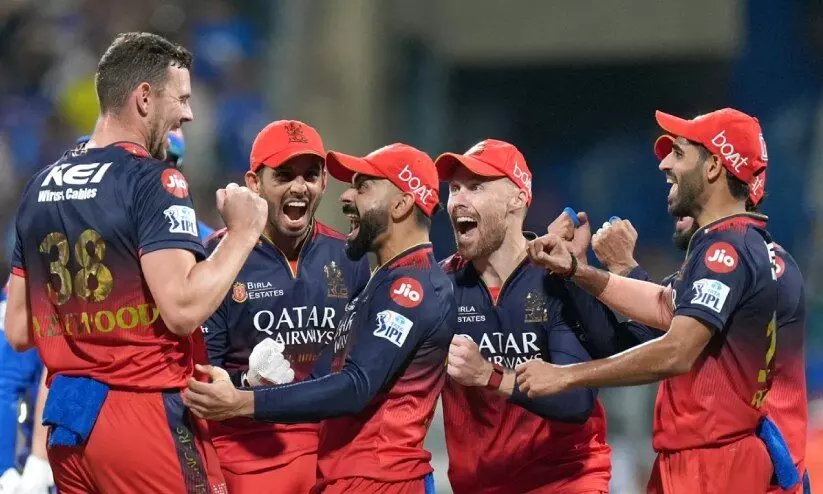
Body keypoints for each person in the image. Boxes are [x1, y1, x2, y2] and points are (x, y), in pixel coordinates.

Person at [4, 31, 268, 494]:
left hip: (68, 423)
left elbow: (19, 329)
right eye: (181, 99)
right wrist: (243, 233)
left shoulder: (40, 186)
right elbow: (182, 310)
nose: (188, 114)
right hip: (143, 414)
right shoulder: (155, 180)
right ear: (144, 97)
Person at [520, 108, 779, 493]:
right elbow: (662, 304)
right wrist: (576, 270)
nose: (664, 164)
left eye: (679, 153)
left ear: (713, 167)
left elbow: (676, 351)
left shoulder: (727, 249)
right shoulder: (723, 243)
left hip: (716, 465)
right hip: (696, 458)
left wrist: (566, 376)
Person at [183, 143, 454, 494]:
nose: (346, 196)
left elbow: (356, 386)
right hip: (345, 476)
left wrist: (243, 402)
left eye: (362, 187)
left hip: (383, 481)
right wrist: (246, 384)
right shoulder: (383, 281)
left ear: (401, 205)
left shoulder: (411, 287)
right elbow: (322, 377)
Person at [587, 171, 809, 493]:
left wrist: (567, 376)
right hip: (710, 463)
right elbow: (669, 316)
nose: (680, 208)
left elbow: (671, 338)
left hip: (749, 468)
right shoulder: (735, 261)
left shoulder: (753, 262)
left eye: (694, 200)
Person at [433, 139, 611, 493]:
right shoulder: (438, 287)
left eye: (476, 187)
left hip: (564, 480)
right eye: (454, 189)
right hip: (480, 485)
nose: (458, 200)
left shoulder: (557, 276)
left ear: (517, 198)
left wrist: (488, 374)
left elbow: (576, 401)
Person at [201, 120, 370, 493]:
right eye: (284, 175)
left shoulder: (349, 257)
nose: (299, 187)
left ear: (324, 182)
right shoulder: (217, 256)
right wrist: (248, 383)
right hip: (247, 454)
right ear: (254, 182)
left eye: (310, 175)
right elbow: (199, 380)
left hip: (330, 452)